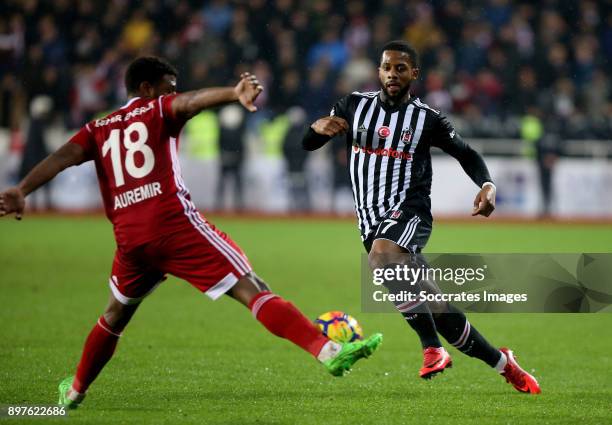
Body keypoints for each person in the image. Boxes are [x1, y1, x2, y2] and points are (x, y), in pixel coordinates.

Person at [0, 56, 383, 409]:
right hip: (173, 225)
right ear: (147, 88)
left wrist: (21, 189)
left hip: (130, 239)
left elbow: (61, 156)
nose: (173, 92)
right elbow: (192, 102)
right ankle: (328, 351)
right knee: (250, 286)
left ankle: (75, 390)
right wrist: (233, 94)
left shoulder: (97, 127)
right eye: (168, 85)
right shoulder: (157, 109)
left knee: (115, 314)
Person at [301, 41, 540, 394]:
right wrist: (314, 129)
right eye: (387, 67)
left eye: (401, 68)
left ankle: (432, 349)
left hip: (410, 213)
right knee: (437, 307)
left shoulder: (427, 118)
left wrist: (488, 185)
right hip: (370, 220)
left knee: (381, 259)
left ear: (414, 73)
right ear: (378, 72)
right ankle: (505, 364)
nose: (392, 74)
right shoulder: (353, 105)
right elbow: (309, 144)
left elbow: (466, 153)